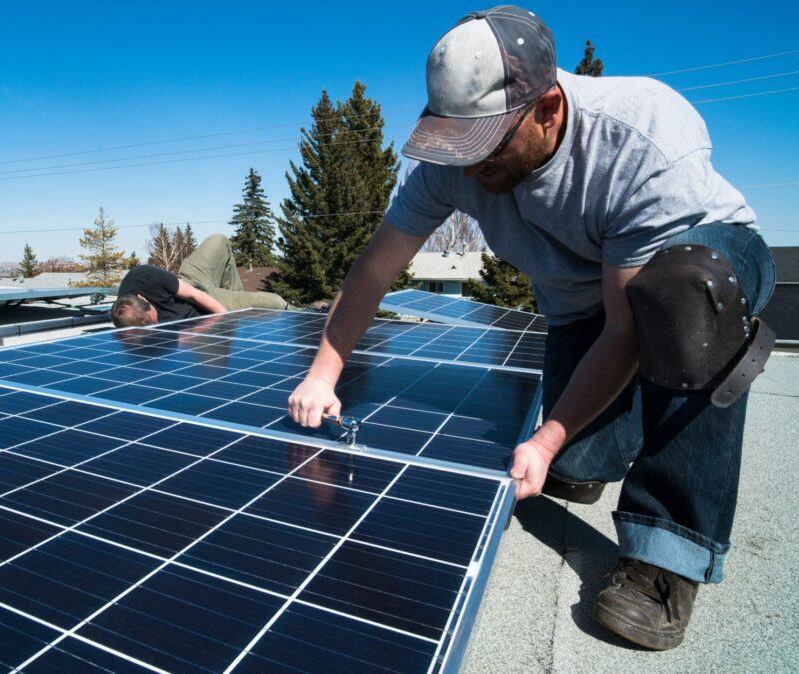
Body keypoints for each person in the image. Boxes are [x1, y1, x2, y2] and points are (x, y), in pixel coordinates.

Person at [287, 5, 776, 651]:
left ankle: (669, 555)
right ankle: (605, 436)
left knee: (682, 303)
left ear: (547, 109)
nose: (469, 169)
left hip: (696, 272)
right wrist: (323, 374)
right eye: (458, 146)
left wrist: (543, 439)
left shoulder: (639, 131)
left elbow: (627, 327)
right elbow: (374, 271)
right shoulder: (449, 163)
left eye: (486, 146)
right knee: (578, 463)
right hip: (580, 304)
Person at [111, 234, 289, 326]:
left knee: (220, 240)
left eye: (155, 318)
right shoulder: (128, 324)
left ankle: (235, 296)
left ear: (143, 298)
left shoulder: (142, 276)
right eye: (153, 325)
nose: (157, 324)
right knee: (275, 302)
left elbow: (195, 295)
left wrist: (228, 321)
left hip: (194, 286)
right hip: (201, 315)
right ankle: (309, 311)